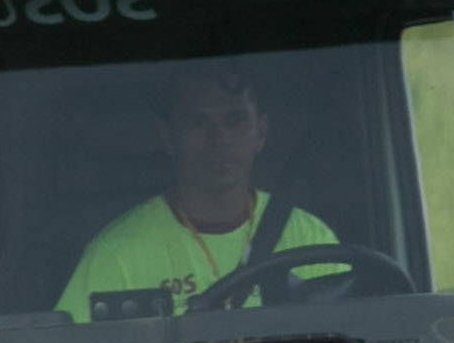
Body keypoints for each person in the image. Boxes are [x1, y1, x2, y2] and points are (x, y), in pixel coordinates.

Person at [56, 66, 339, 320]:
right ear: (168, 136)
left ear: (261, 132)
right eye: (197, 122)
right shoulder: (116, 255)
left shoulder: (310, 238)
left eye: (235, 119)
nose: (219, 139)